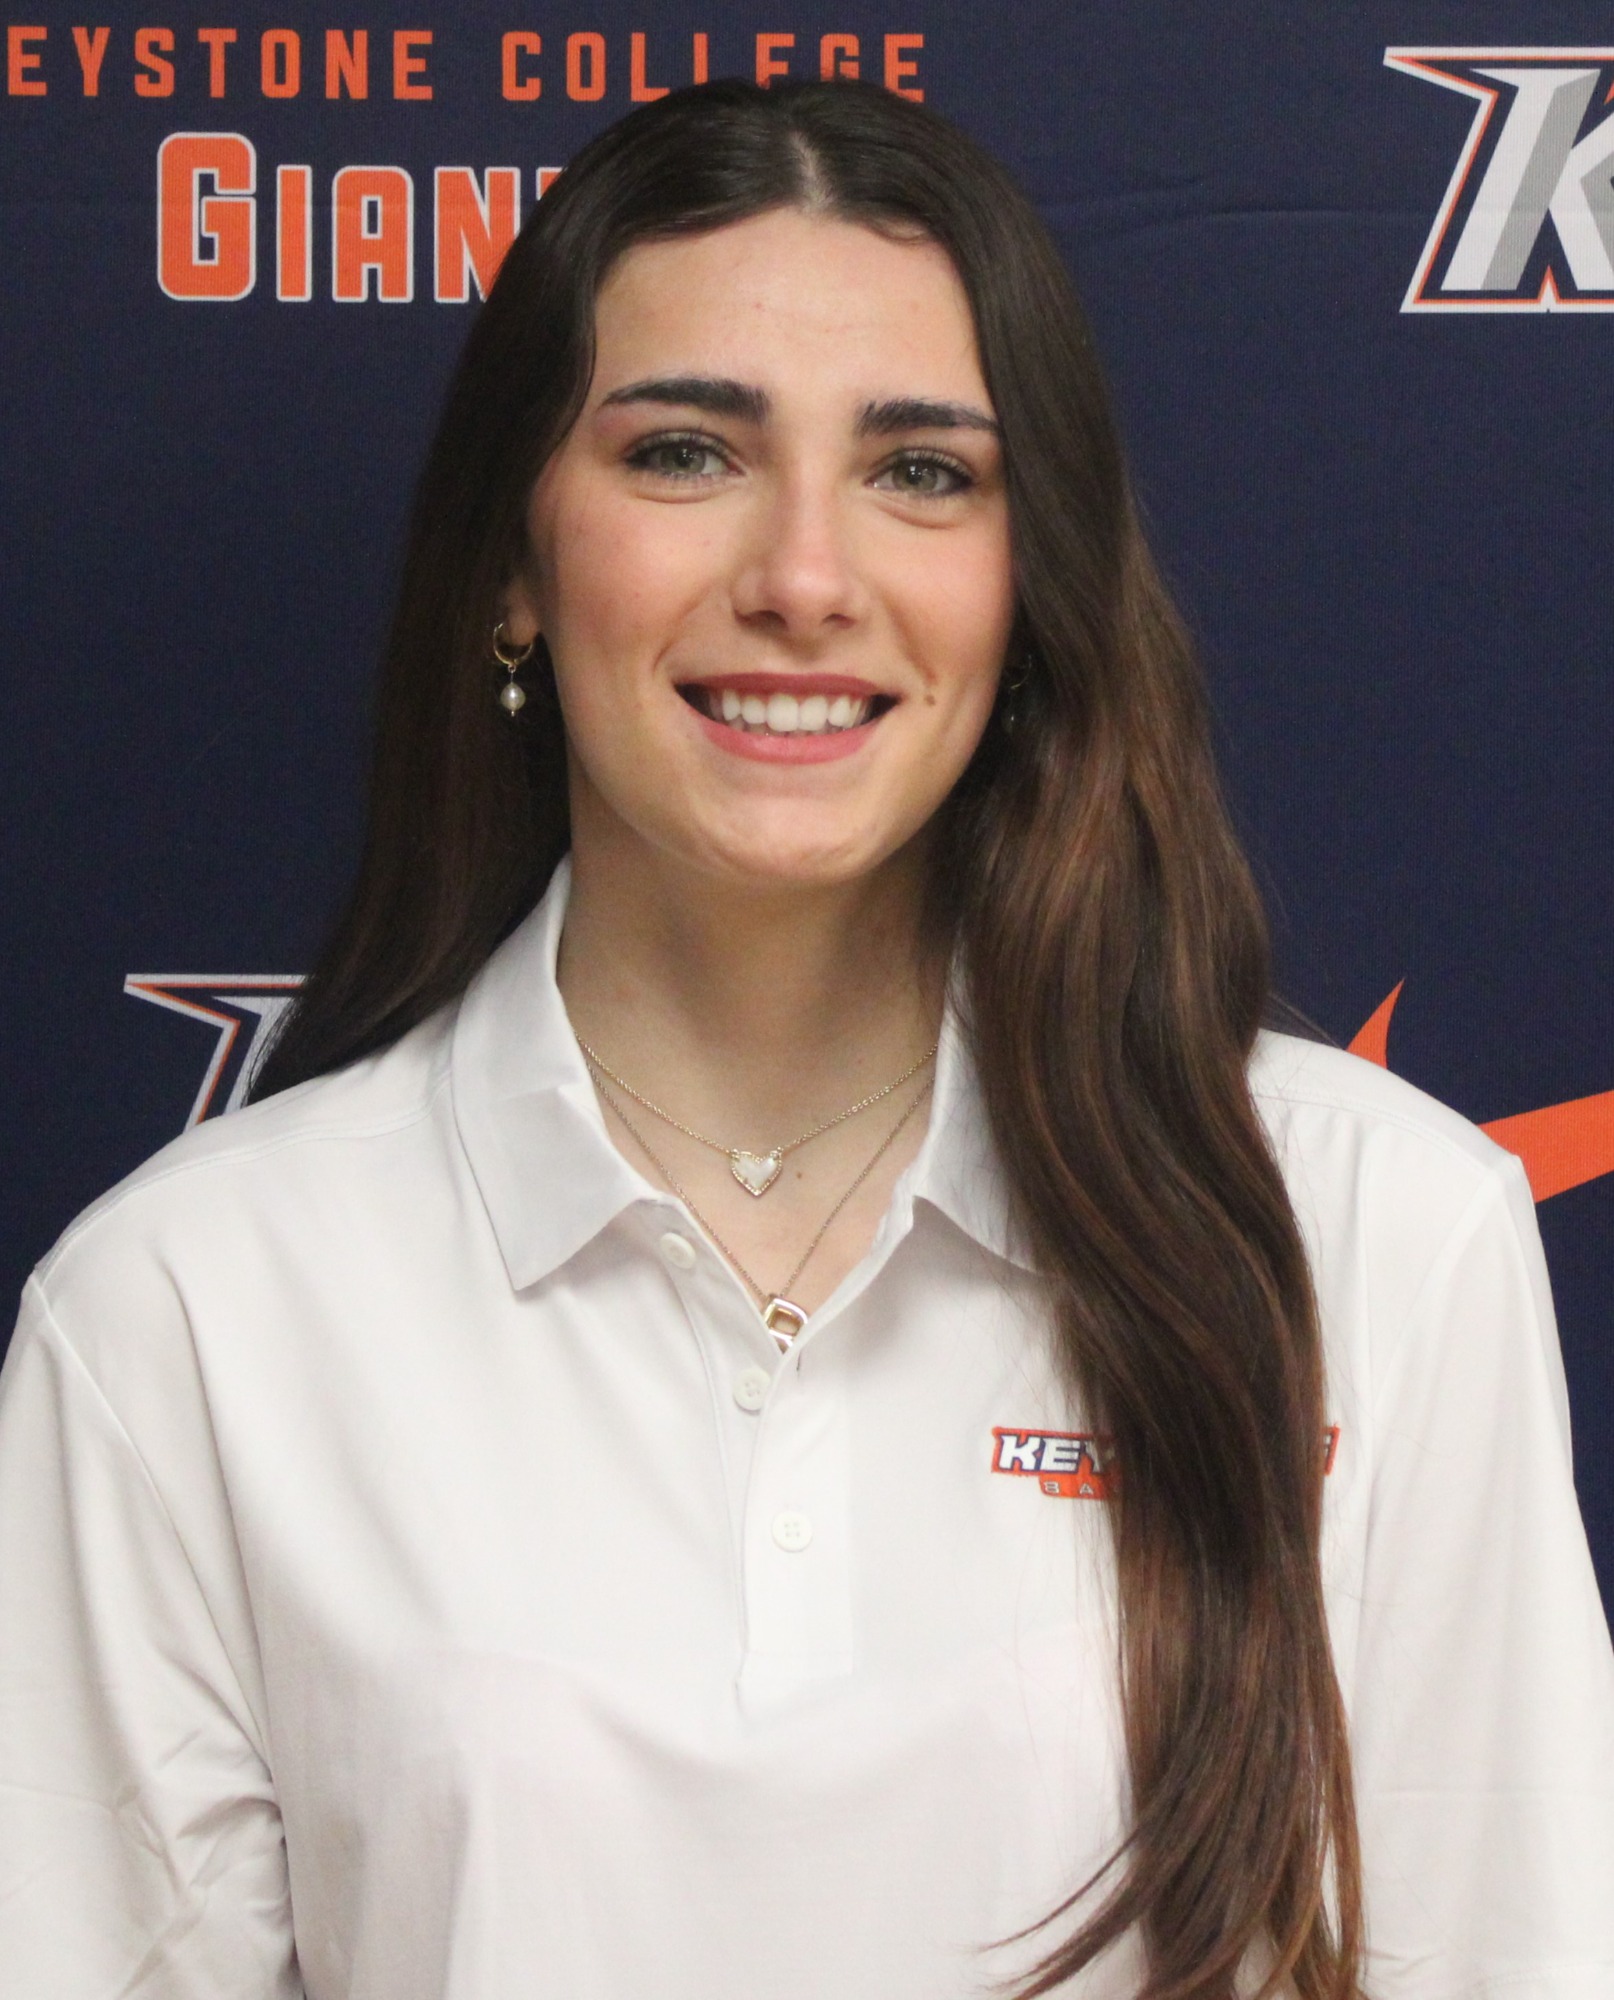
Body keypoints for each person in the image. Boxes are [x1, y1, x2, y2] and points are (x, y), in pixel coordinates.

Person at [1, 78, 1611, 2000]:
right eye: (685, 453)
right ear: (515, 563)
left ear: (1030, 578)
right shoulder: (185, 1311)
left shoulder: (1378, 1234)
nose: (803, 578)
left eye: (920, 471)